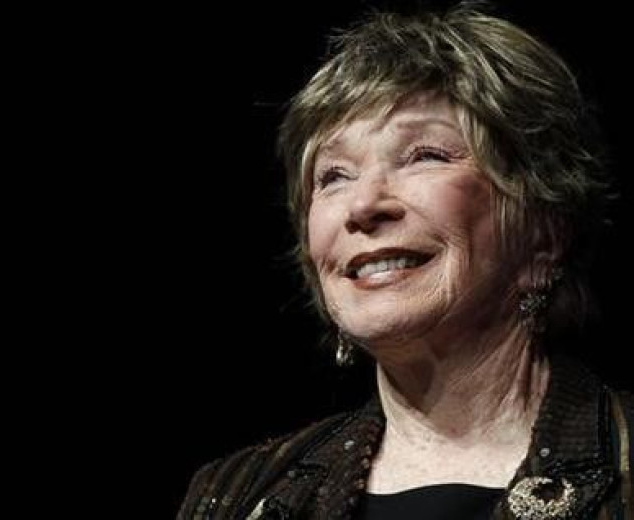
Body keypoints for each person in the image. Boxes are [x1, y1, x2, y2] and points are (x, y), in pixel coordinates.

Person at [178, 3, 632, 519]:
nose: (363, 205)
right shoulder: (236, 494)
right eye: (333, 175)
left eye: (424, 156)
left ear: (544, 229)